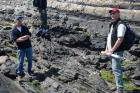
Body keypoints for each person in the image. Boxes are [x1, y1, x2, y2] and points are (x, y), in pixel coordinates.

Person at [102, 8, 126, 93]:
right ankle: (117, 86)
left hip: (117, 51)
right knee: (114, 68)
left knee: (116, 69)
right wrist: (106, 49)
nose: (112, 15)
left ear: (118, 13)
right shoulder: (112, 24)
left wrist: (111, 50)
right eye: (111, 14)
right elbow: (109, 38)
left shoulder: (121, 25)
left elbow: (120, 39)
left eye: (114, 13)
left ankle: (120, 89)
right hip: (111, 51)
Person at [12, 16, 33, 81]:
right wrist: (24, 37)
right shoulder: (14, 30)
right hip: (21, 48)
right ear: (16, 21)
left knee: (30, 60)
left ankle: (29, 71)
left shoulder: (25, 28)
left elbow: (29, 35)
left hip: (28, 47)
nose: (20, 21)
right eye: (18, 20)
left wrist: (22, 38)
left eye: (21, 20)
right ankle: (19, 74)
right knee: (20, 61)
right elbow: (16, 40)